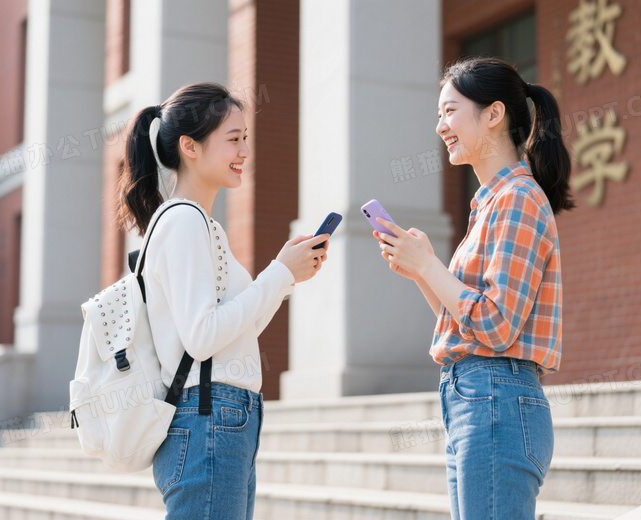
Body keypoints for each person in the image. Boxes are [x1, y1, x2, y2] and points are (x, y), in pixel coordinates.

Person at [117, 82, 329, 520]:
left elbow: (234, 335)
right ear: (190, 147)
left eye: (245, 138)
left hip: (223, 418)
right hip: (209, 417)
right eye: (233, 139)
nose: (244, 151)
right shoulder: (184, 221)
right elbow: (203, 337)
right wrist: (278, 273)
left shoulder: (203, 224)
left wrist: (285, 277)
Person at [373, 57, 573, 520]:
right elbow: (468, 324)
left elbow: (496, 326)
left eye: (450, 111)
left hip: (495, 398)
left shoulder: (518, 198)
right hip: (477, 398)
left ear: (493, 114)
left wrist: (429, 265)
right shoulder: (492, 202)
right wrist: (422, 273)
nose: (440, 126)